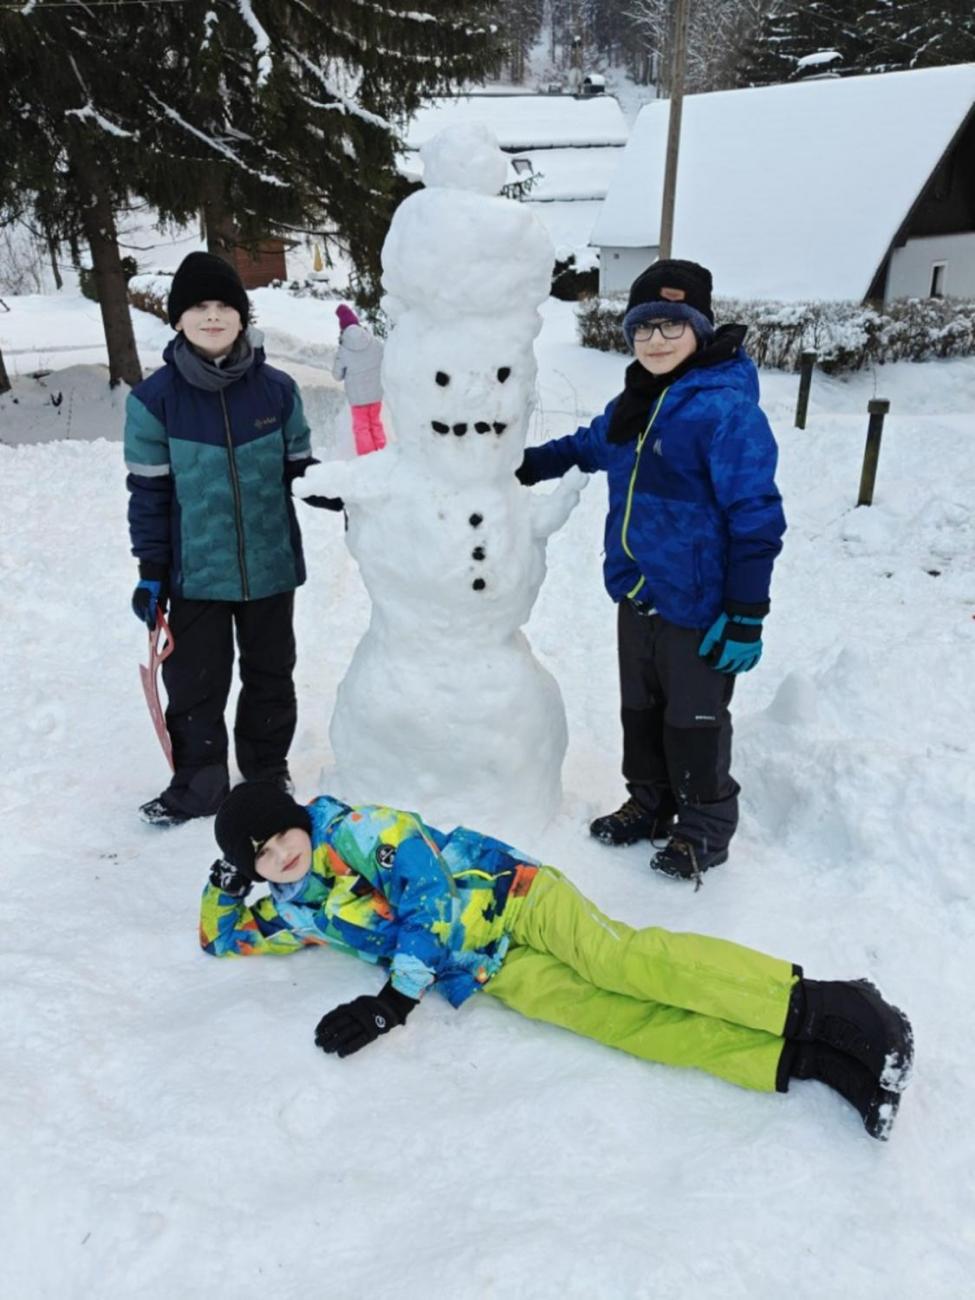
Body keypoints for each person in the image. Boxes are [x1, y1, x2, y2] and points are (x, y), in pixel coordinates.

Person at [201, 782, 914, 1141]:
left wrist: (392, 1002)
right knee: (620, 1022)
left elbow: (429, 902)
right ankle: (809, 1060)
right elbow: (220, 940)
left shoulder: (362, 832)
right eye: (259, 855)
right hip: (487, 967)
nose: (279, 854)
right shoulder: (298, 909)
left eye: (278, 835)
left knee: (625, 966)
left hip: (515, 896)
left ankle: (835, 1009)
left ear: (298, 815)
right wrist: (222, 887)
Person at [516, 260, 786, 884]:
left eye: (671, 326)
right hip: (638, 596)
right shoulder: (636, 400)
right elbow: (588, 444)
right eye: (643, 329)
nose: (655, 341)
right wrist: (520, 466)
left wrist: (746, 614)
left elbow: (757, 518)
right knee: (640, 712)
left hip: (700, 606)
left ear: (699, 328)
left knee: (694, 721)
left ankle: (703, 828)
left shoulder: (723, 410)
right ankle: (650, 802)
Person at [125, 251, 341, 827]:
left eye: (225, 305)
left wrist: (347, 491)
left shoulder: (276, 392)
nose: (214, 316)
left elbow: (300, 467)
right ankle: (200, 782)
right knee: (196, 683)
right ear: (177, 319)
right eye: (200, 305)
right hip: (196, 573)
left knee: (271, 674)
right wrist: (151, 570)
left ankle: (266, 771)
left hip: (270, 566)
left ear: (243, 317)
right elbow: (147, 494)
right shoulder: (154, 403)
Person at [332, 303, 387, 455]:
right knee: (376, 423)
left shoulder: (343, 349)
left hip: (357, 398)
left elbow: (336, 375)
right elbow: (386, 359)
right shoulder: (374, 342)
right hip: (376, 393)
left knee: (361, 427)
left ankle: (367, 457)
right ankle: (382, 452)